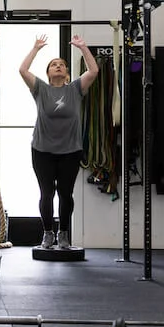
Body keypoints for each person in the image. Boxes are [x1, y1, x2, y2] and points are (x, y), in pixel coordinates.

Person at [18, 34, 98, 250]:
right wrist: (35, 48)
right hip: (42, 150)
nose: (58, 66)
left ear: (67, 73)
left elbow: (94, 71)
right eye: (54, 65)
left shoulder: (75, 89)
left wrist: (83, 47)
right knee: (46, 193)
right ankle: (47, 234)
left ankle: (63, 235)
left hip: (70, 151)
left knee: (65, 193)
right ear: (48, 73)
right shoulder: (41, 89)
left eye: (62, 65)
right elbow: (23, 70)